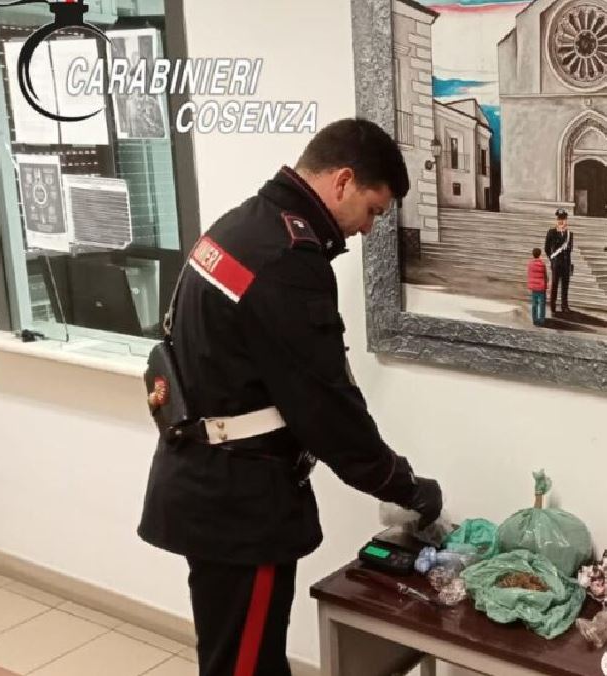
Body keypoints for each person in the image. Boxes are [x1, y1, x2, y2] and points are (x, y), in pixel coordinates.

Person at [138, 119, 445, 676]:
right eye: (373, 210)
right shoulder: (288, 261)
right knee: (247, 665)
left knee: (235, 656)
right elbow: (325, 408)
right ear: (343, 181)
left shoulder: (243, 226)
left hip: (204, 480)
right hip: (243, 504)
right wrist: (405, 486)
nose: (368, 229)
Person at [544, 209, 574, 313]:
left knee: (565, 285)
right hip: (556, 264)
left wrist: (569, 265)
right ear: (557, 220)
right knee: (555, 285)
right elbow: (547, 248)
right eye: (559, 219)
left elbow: (570, 249)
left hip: (566, 263)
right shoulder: (551, 232)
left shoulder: (569, 234)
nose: (561, 221)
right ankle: (552, 305)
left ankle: (564, 306)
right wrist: (552, 260)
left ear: (566, 221)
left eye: (563, 219)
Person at [527, 247, 547, 326]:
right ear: (540, 254)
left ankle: (534, 320)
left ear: (533, 254)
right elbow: (545, 275)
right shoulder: (542, 264)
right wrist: (546, 284)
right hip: (541, 287)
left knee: (534, 304)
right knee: (542, 304)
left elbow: (529, 275)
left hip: (534, 287)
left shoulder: (530, 264)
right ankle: (541, 320)